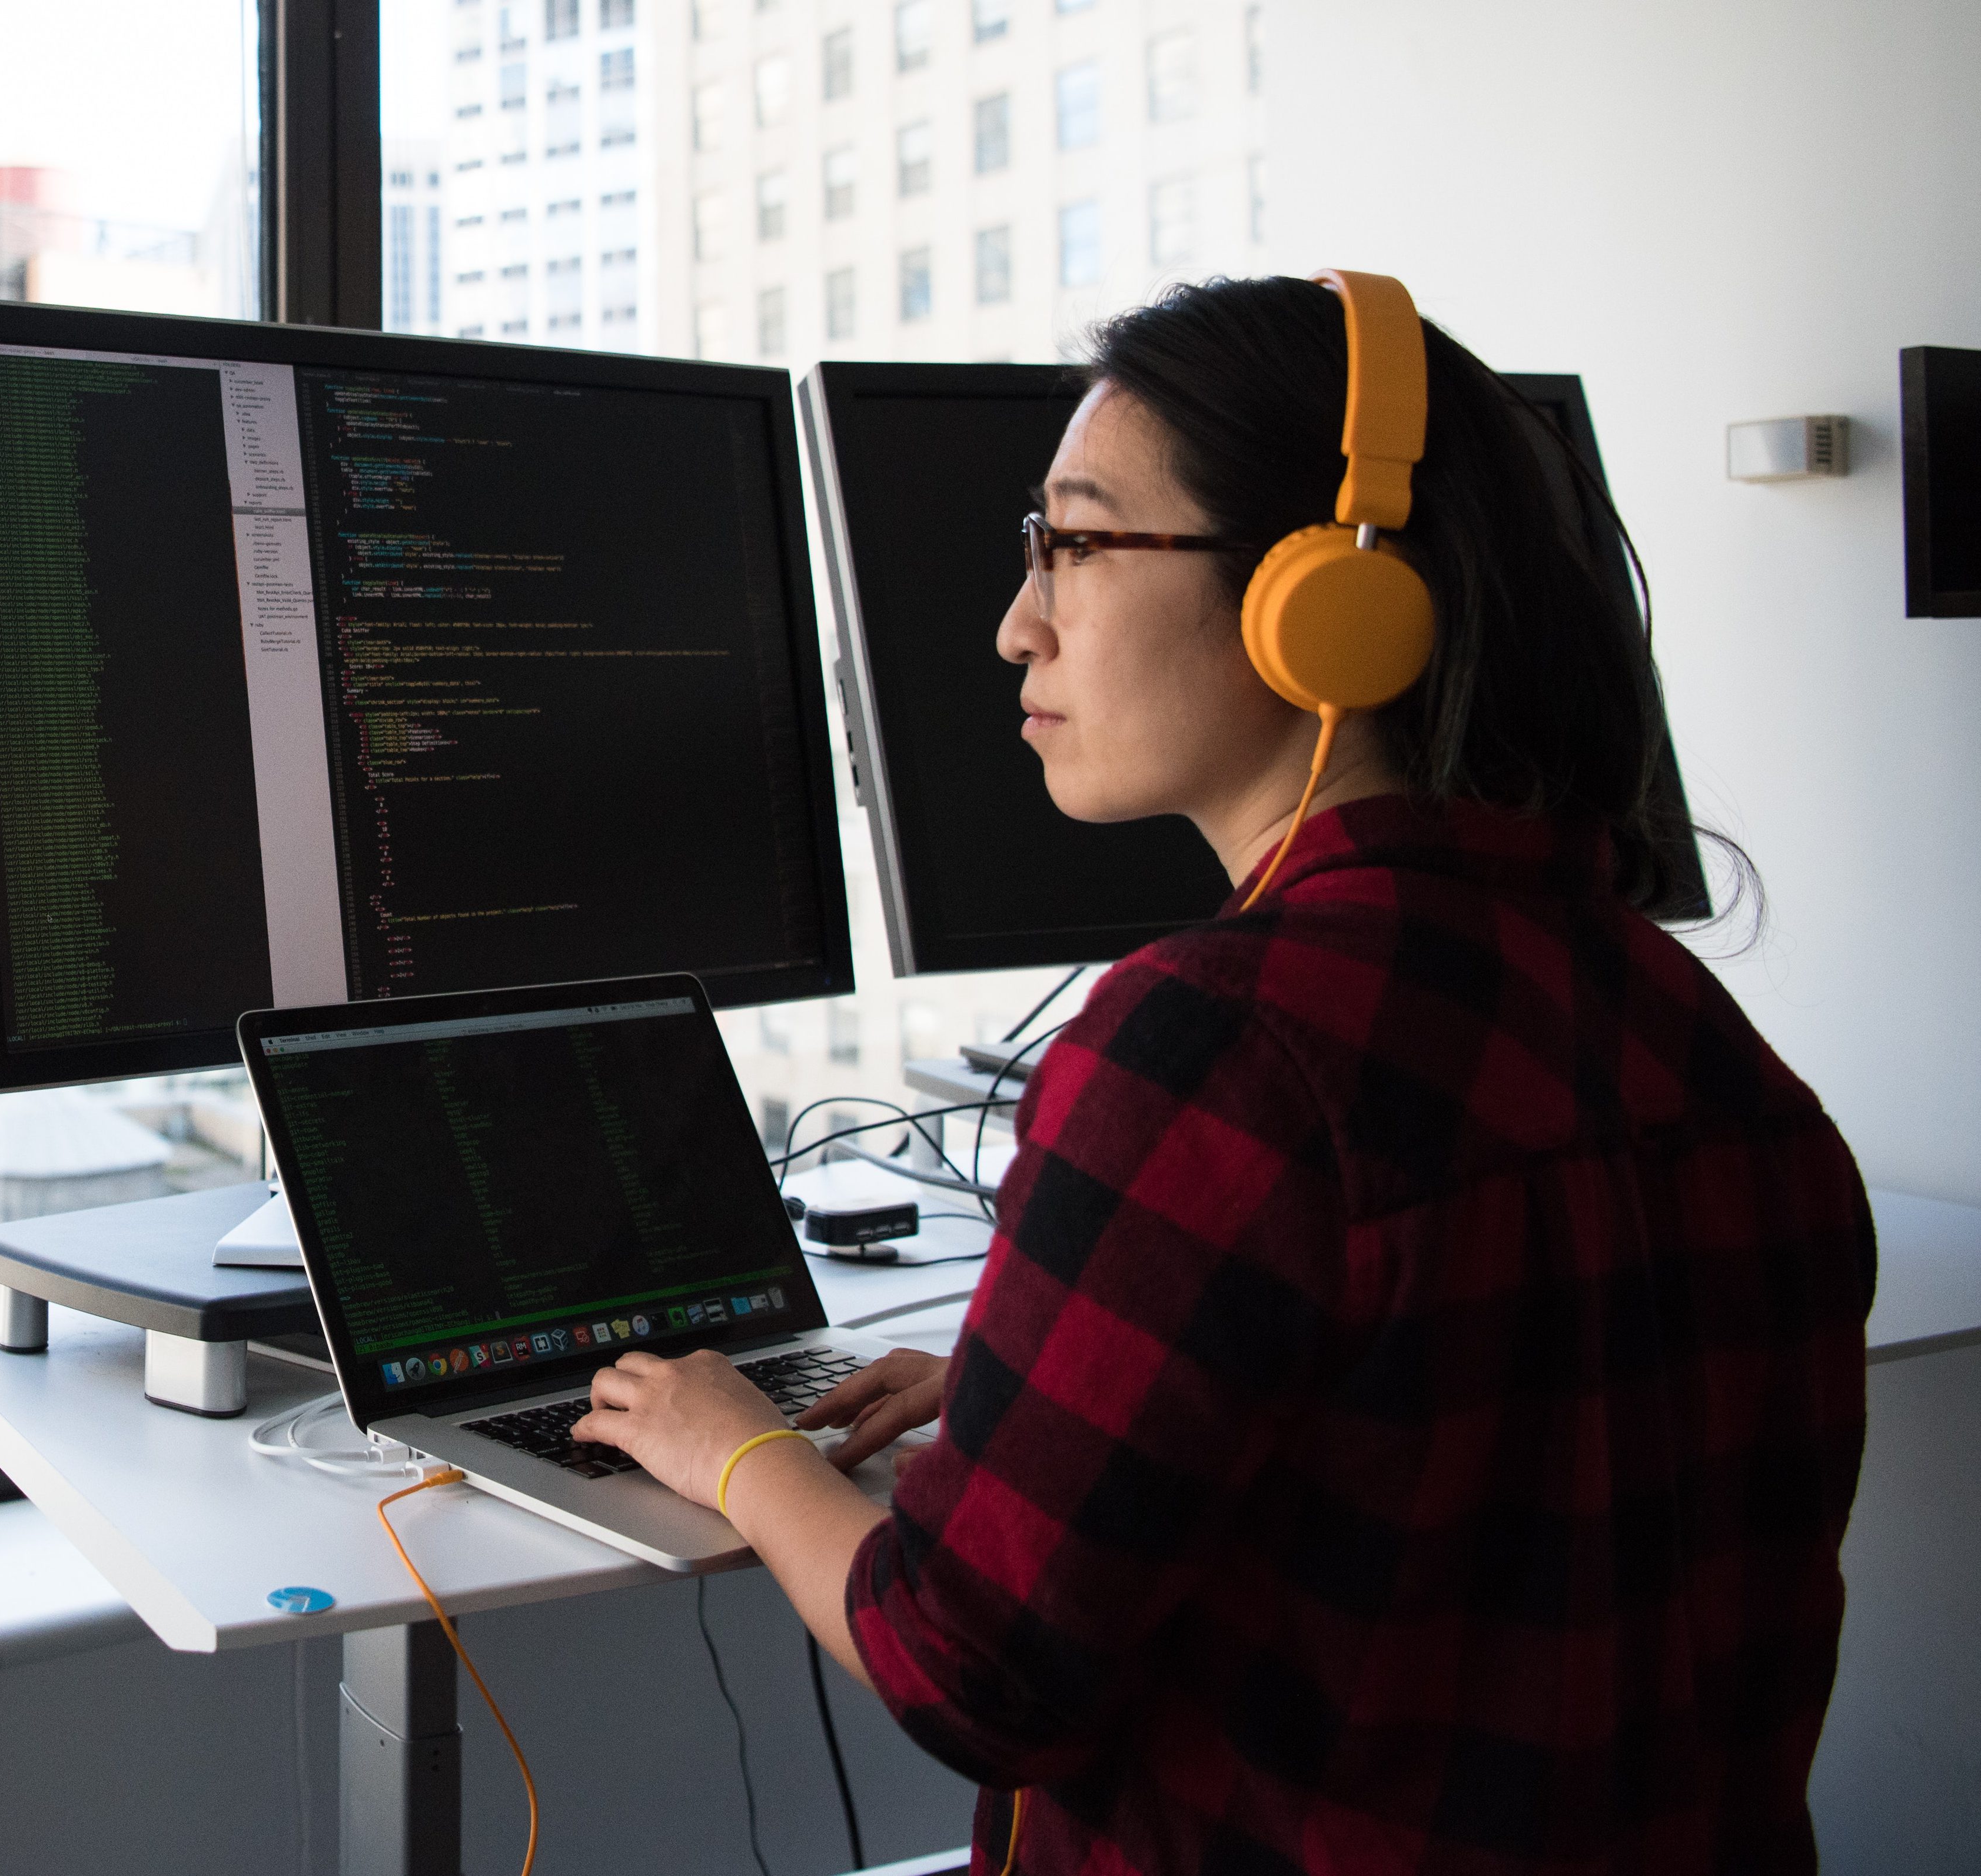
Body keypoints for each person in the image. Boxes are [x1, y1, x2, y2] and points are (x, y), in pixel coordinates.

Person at [570, 275, 1875, 1873]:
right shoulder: (1697, 1028)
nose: (1014, 621)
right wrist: (1018, 1384)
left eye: (1075, 540)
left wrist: (735, 1445)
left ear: (1321, 602)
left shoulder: (1212, 1046)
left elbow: (969, 1664)